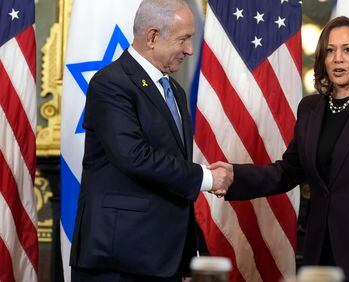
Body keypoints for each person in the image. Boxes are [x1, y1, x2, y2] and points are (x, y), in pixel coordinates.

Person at [210, 16, 349, 282]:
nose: (337, 58)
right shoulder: (311, 108)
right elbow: (288, 172)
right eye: (330, 51)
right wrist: (233, 176)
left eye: (347, 50)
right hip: (319, 248)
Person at [69, 0, 232, 281]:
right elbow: (134, 157)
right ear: (153, 36)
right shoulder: (110, 83)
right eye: (184, 39)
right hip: (118, 260)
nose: (190, 50)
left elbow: (172, 176)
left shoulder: (175, 92)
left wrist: (189, 254)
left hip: (164, 258)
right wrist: (207, 178)